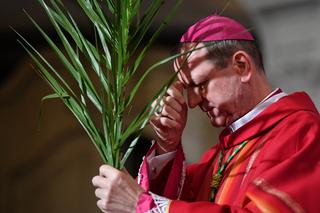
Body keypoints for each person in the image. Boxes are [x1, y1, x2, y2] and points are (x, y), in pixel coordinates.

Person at [91, 14, 320, 213]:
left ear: (241, 66)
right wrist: (167, 146)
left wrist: (143, 206)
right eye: (187, 89)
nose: (192, 102)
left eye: (201, 84)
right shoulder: (219, 155)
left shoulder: (302, 133)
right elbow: (181, 202)